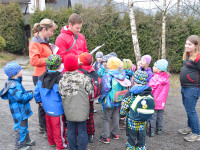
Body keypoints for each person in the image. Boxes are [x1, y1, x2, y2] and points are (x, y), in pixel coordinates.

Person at [29, 18, 58, 137]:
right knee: (42, 103)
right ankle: (44, 127)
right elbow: (34, 60)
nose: (52, 34)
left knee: (48, 101)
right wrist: (50, 60)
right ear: (44, 29)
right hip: (40, 76)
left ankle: (45, 126)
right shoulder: (35, 42)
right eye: (51, 31)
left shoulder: (45, 40)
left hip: (47, 74)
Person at [59, 54, 93, 150]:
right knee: (82, 130)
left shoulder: (62, 80)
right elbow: (89, 91)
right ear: (76, 64)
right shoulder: (84, 78)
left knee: (70, 131)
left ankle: (72, 148)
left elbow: (61, 93)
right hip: (82, 109)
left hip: (69, 110)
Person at [34, 54, 68, 150]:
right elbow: (64, 94)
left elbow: (36, 91)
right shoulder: (61, 79)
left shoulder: (41, 77)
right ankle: (61, 145)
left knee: (49, 127)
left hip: (46, 108)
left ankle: (51, 142)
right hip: (57, 109)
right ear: (59, 66)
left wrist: (39, 101)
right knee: (59, 128)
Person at [0, 62, 35, 150]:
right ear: (14, 74)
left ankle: (26, 141)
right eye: (19, 69)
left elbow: (21, 93)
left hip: (22, 111)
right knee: (20, 128)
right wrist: (30, 95)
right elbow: (21, 98)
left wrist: (27, 92)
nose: (21, 70)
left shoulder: (15, 82)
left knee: (24, 127)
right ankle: (19, 146)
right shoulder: (13, 86)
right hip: (19, 113)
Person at [120, 69, 152, 150]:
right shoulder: (148, 92)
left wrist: (122, 114)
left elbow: (124, 105)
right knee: (142, 140)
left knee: (131, 139)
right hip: (143, 122)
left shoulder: (131, 93)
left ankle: (130, 148)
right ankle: (141, 148)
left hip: (132, 123)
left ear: (134, 80)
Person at [98, 57, 126, 144]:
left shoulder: (108, 75)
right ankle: (115, 134)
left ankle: (105, 137)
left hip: (109, 100)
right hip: (118, 99)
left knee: (106, 118)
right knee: (116, 116)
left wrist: (101, 98)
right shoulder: (121, 74)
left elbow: (106, 88)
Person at [179, 35, 200, 142]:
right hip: (185, 87)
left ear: (196, 46)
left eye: (190, 44)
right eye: (186, 43)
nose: (186, 46)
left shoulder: (198, 57)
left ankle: (196, 133)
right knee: (188, 108)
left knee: (191, 110)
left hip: (193, 88)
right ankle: (190, 128)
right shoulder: (189, 55)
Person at [78, 52, 98, 143]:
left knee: (81, 116)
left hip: (81, 99)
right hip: (91, 98)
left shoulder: (79, 71)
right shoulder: (93, 70)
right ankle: (91, 134)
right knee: (90, 116)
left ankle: (81, 133)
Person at [148, 59, 170, 137]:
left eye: (155, 66)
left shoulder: (155, 78)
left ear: (159, 69)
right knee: (160, 116)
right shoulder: (166, 79)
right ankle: (159, 129)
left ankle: (152, 130)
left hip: (154, 101)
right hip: (162, 101)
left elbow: (150, 89)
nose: (153, 67)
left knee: (153, 116)